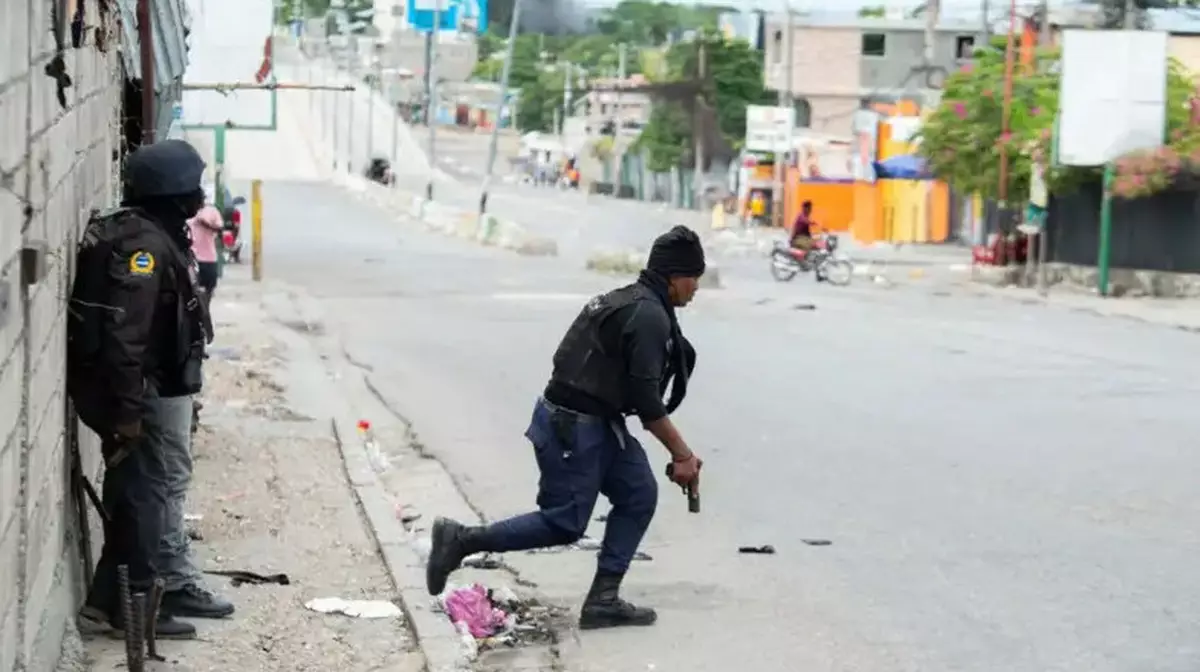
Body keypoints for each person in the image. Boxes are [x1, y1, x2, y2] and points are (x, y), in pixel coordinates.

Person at [425, 226, 706, 630]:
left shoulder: (633, 301)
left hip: (597, 421)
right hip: (572, 425)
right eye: (693, 278)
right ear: (673, 276)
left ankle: (603, 600)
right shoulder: (647, 315)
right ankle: (462, 540)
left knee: (639, 492)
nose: (696, 288)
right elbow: (647, 403)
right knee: (565, 522)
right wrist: (681, 454)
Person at [68, 139, 226, 641]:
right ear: (171, 192)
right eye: (192, 187)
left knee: (137, 495)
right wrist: (128, 413)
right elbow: (124, 337)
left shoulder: (156, 233)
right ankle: (134, 611)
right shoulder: (142, 248)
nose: (199, 196)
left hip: (148, 390)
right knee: (146, 500)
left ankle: (107, 603)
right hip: (141, 395)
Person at [188, 201, 222, 307]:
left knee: (209, 289)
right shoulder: (186, 212)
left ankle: (204, 311)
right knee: (190, 291)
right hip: (191, 259)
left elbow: (219, 228)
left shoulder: (211, 211)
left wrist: (205, 223)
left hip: (209, 259)